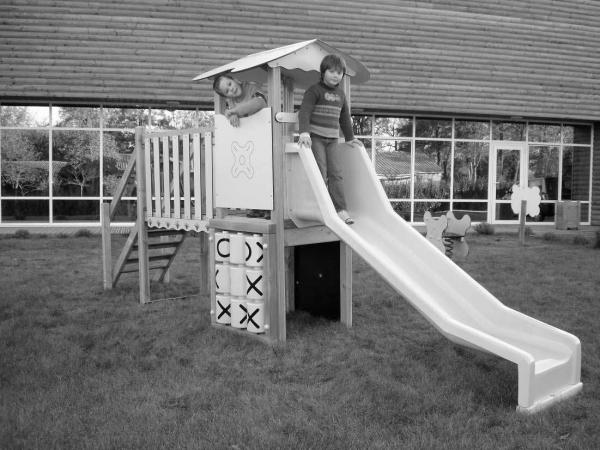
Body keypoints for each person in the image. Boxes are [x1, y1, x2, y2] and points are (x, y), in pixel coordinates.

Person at [297, 54, 360, 225]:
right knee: (321, 171)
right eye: (331, 71)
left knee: (336, 174)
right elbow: (305, 112)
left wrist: (350, 138)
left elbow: (344, 118)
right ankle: (322, 206)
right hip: (316, 138)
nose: (335, 75)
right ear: (323, 72)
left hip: (332, 140)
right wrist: (304, 133)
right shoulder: (314, 90)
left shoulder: (341, 94)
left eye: (339, 73)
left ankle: (340, 209)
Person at [213, 74, 269, 219]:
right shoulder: (231, 102)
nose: (231, 90)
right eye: (227, 91)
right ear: (226, 96)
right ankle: (256, 206)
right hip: (249, 143)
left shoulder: (251, 87)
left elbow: (259, 103)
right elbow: (232, 114)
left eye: (229, 84)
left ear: (236, 80)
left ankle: (269, 208)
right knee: (250, 175)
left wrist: (235, 112)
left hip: (265, 137)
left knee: (266, 173)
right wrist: (233, 116)